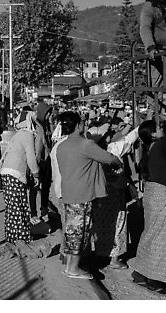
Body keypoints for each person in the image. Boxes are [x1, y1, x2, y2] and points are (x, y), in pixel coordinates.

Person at [50, 111, 122, 279]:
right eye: (82, 123)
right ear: (77, 126)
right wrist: (117, 162)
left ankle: (70, 265)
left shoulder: (61, 145)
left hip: (69, 192)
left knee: (72, 230)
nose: (85, 125)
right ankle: (73, 269)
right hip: (81, 195)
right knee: (79, 232)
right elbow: (108, 157)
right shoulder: (85, 144)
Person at [131, 109, 166, 295]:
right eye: (158, 127)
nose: (161, 127)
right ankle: (155, 281)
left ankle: (139, 274)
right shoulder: (162, 145)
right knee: (162, 238)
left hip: (152, 193)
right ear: (153, 134)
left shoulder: (148, 147)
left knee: (150, 234)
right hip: (162, 194)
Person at [88, 122, 140, 270]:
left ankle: (100, 253)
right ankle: (114, 259)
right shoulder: (113, 149)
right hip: (115, 193)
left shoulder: (91, 151)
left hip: (98, 193)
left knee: (101, 223)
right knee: (118, 223)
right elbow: (131, 137)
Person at [0, 110, 40, 245]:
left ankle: (11, 237)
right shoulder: (27, 135)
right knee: (20, 206)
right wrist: (36, 174)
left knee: (11, 208)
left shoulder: (17, 135)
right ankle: (22, 239)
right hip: (15, 175)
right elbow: (31, 158)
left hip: (6, 174)